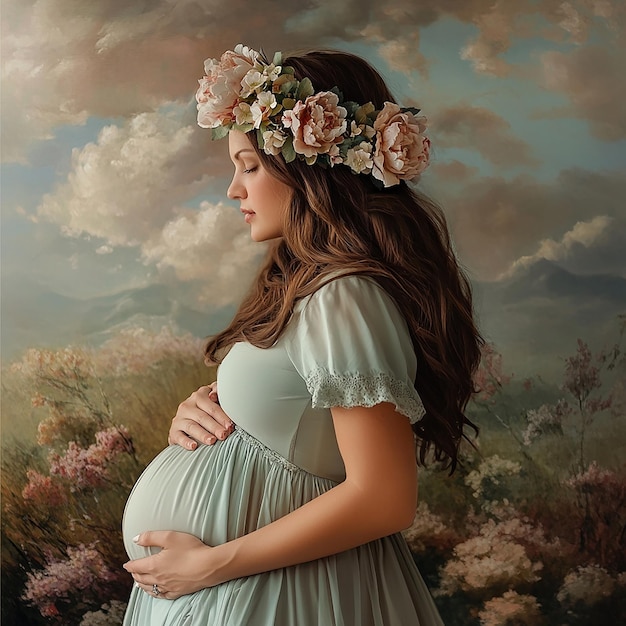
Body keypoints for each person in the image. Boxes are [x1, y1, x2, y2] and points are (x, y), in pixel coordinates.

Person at [121, 44, 482, 626]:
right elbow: (290, 420)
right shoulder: (307, 289)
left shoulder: (345, 296)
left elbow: (383, 496)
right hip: (240, 590)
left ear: (312, 169)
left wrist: (212, 564)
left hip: (281, 596)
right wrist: (204, 417)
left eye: (250, 166)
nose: (234, 190)